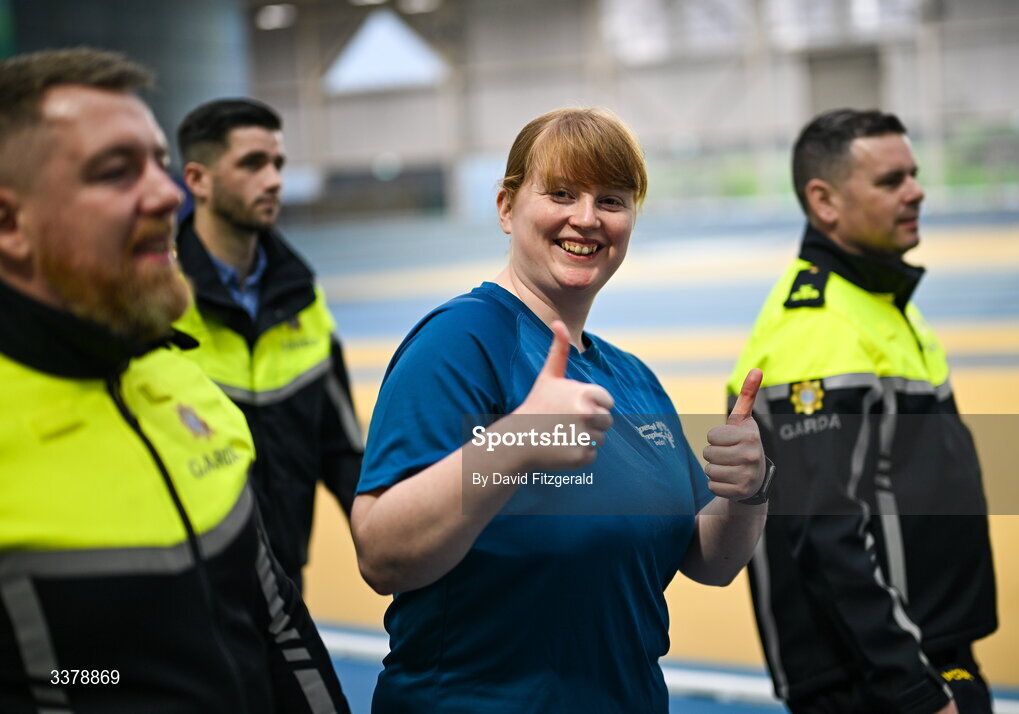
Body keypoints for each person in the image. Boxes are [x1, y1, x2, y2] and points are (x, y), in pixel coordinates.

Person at [351, 107, 771, 713]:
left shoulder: (633, 378)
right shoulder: (460, 342)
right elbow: (382, 555)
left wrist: (749, 489)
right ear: (505, 207)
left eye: (612, 199)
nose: (586, 218)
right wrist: (516, 440)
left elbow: (709, 560)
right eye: (561, 193)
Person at [0, 48, 349, 712]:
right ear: (10, 223)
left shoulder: (189, 393)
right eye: (114, 172)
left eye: (159, 165)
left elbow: (280, 637)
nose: (166, 195)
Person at [728, 109, 997, 714]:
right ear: (823, 201)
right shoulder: (816, 327)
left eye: (914, 174)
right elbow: (827, 533)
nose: (917, 190)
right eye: (891, 180)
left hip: (930, 653)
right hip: (880, 682)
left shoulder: (879, 303)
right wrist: (913, 689)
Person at [174, 98, 362, 591]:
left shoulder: (303, 297)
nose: (274, 179)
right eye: (252, 164)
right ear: (198, 180)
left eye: (277, 163)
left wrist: (390, 543)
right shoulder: (156, 303)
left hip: (286, 576)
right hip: (190, 586)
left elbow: (344, 451)